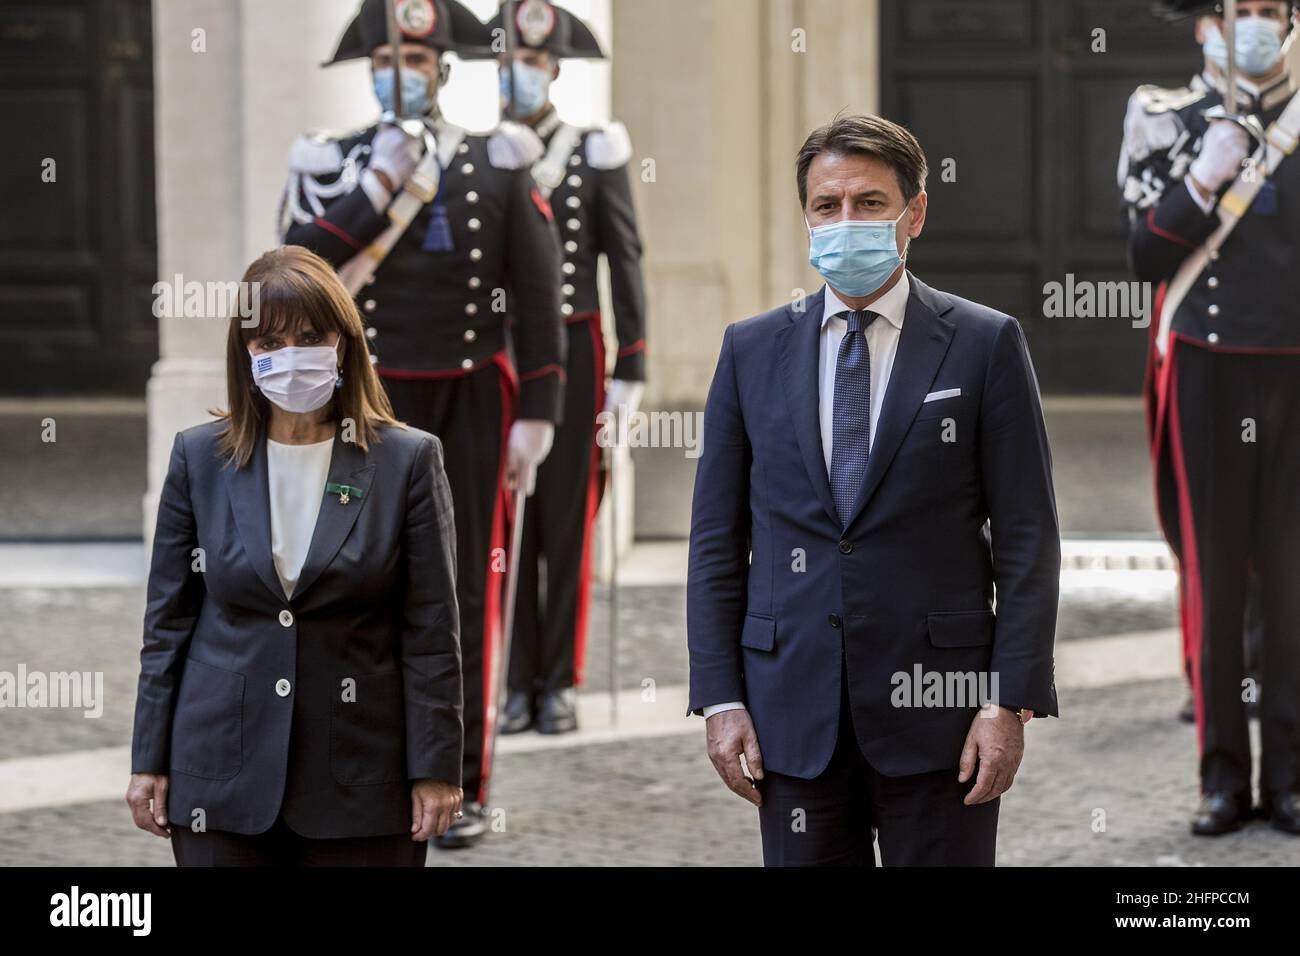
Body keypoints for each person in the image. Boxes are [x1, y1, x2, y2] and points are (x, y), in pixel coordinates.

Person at [687, 114, 1060, 866]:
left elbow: (1028, 538)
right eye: (828, 206)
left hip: (942, 720)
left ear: (914, 214)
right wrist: (721, 698)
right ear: (806, 217)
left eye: (869, 203)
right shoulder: (751, 350)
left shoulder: (984, 343)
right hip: (791, 716)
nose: (845, 221)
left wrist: (1008, 700)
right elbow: (715, 542)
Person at [277, 0, 565, 848]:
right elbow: (293, 270)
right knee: (348, 582)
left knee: (464, 585)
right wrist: (375, 186)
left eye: (416, 55)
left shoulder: (498, 159)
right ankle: (356, 768)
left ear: (444, 66)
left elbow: (539, 294)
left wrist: (540, 411)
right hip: (367, 396)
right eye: (387, 56)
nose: (399, 70)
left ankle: (461, 783)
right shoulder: (331, 161)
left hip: (472, 399)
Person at [126, 246, 463, 866]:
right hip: (219, 779)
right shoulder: (198, 459)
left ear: (343, 342)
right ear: (245, 353)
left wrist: (437, 768)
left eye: (310, 336)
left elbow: (431, 632)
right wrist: (148, 759)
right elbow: (167, 623)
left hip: (362, 780)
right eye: (268, 343)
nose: (289, 357)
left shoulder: (408, 461)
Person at [1122, 0, 1300, 836]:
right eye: (1242, 9)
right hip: (1205, 367)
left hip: (1295, 372)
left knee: (1295, 582)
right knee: (1217, 576)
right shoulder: (1163, 116)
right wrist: (1202, 178)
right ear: (1206, 24)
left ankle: (1292, 776)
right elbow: (1145, 254)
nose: (1257, 23)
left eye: (1273, 10)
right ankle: (1223, 777)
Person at [472, 0, 648, 736]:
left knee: (568, 516)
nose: (522, 72)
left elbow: (624, 257)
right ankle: (511, 681)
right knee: (503, 519)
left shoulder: (594, 149)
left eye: (535, 62)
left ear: (554, 70)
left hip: (574, 348)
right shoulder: (481, 151)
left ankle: (559, 682)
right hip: (502, 352)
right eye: (511, 60)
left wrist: (631, 365)